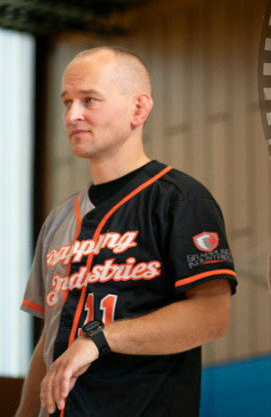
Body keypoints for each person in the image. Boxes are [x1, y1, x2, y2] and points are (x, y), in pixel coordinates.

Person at [16, 47, 236, 417]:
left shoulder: (181, 199)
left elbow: (212, 316)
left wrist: (98, 341)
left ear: (139, 109)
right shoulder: (58, 219)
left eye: (90, 100)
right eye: (66, 101)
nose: (73, 115)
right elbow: (49, 341)